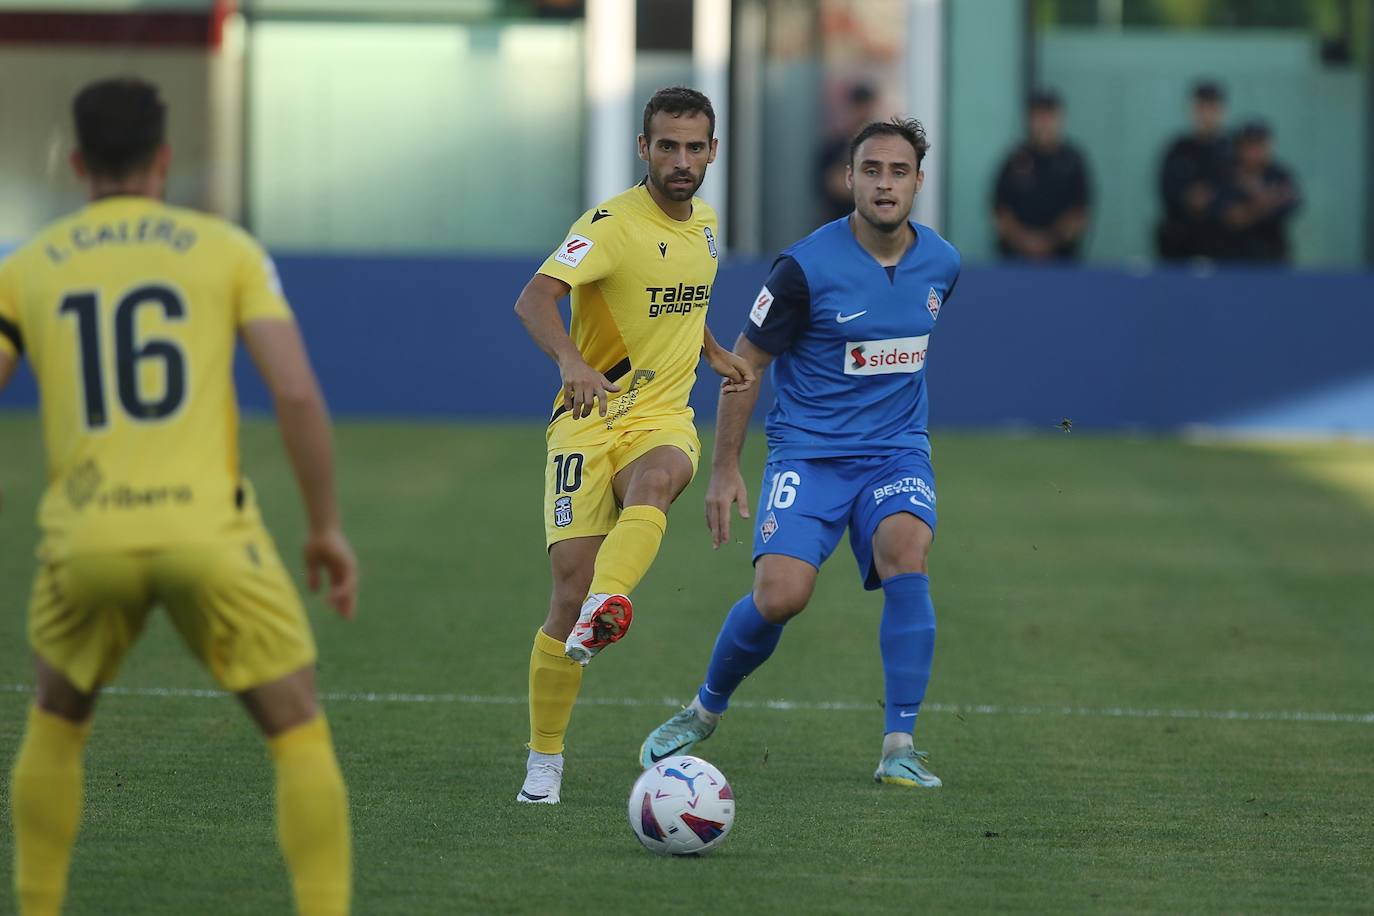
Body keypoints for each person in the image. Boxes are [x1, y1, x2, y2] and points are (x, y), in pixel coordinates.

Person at [0, 78, 357, 916]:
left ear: (78, 161)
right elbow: (298, 394)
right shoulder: (222, 249)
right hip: (209, 536)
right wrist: (326, 529)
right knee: (297, 726)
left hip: (85, 540)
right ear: (165, 159)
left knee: (56, 716)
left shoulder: (27, 265)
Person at [639, 117, 960, 789]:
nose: (884, 184)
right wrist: (725, 468)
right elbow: (743, 366)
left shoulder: (942, 263)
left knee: (908, 552)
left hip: (896, 452)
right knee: (782, 595)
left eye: (899, 172)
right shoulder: (804, 268)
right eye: (871, 170)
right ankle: (704, 709)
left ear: (919, 183)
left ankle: (899, 744)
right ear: (849, 179)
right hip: (809, 457)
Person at [511, 86, 754, 805]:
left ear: (713, 151)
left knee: (660, 480)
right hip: (587, 419)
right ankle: (545, 759)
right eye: (668, 146)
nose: (683, 161)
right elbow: (533, 298)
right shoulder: (610, 224)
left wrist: (707, 348)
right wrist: (570, 362)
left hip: (662, 417)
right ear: (643, 149)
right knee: (566, 589)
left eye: (695, 147)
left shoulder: (706, 226)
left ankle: (608, 605)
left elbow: (683, 297)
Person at [992, 89, 1092, 261]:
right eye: (1038, 116)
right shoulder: (1014, 160)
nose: (1043, 123)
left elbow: (1079, 213)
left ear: (1059, 119)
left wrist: (1049, 242)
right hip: (1016, 261)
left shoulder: (1073, 161)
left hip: (1062, 261)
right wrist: (1025, 241)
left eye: (1049, 116)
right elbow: (1000, 212)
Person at [1156, 81, 1232, 261]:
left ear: (1222, 110)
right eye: (1201, 106)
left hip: (1225, 245)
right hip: (1181, 243)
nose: (1206, 113)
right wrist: (1189, 198)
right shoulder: (1178, 149)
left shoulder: (1232, 151)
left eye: (1212, 106)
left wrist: (1214, 199)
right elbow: (1167, 191)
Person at [1216, 119, 1301, 263]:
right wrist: (1267, 200)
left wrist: (1253, 197)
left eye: (1260, 145)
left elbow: (1291, 203)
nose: (1255, 152)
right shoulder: (1226, 174)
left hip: (1272, 257)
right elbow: (1233, 218)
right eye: (1250, 145)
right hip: (1232, 259)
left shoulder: (1279, 174)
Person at [816, 83, 880, 224]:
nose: (863, 114)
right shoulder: (834, 148)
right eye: (859, 107)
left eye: (867, 108)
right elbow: (833, 185)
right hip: (840, 224)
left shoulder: (883, 149)